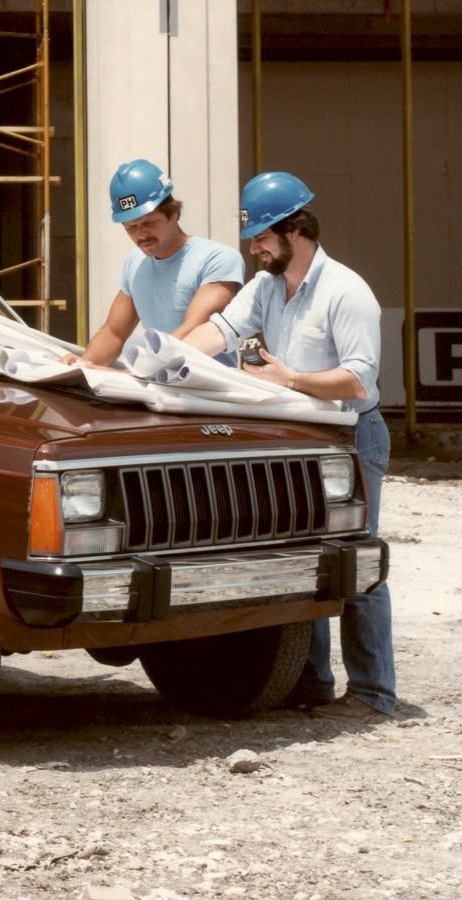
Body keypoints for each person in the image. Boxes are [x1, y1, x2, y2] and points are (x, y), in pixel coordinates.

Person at [181, 171, 395, 721]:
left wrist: (290, 379)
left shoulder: (347, 292)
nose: (253, 248)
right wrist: (168, 361)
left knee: (354, 562)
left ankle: (373, 695)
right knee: (306, 561)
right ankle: (312, 684)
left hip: (351, 437)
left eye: (260, 238)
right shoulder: (267, 286)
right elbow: (221, 331)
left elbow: (359, 381)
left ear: (294, 231)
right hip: (301, 437)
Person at [67, 159, 245, 367]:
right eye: (131, 227)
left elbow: (194, 328)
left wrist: (138, 371)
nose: (141, 234)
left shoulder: (218, 259)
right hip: (155, 384)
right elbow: (114, 332)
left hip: (207, 391)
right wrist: (82, 365)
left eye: (149, 222)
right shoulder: (134, 264)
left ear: (174, 213)